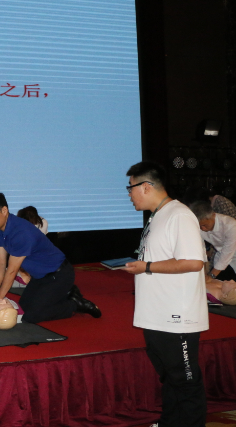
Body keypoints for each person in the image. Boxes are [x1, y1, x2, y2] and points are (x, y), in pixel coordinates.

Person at [123, 161, 208, 427]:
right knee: (170, 378)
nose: (129, 194)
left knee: (185, 381)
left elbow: (193, 262)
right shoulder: (158, 216)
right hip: (156, 316)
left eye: (131, 187)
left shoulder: (179, 215)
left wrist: (146, 267)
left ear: (146, 186)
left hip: (177, 318)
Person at [0, 192, 101, 323]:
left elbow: (12, 270)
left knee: (31, 316)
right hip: (39, 277)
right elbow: (0, 262)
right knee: (23, 309)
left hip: (59, 275)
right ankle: (65, 294)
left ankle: (74, 304)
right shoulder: (0, 230)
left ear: (4, 210)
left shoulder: (20, 232)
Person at [188, 200, 236, 282]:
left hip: (229, 254)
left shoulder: (231, 225)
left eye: (204, 225)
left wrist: (211, 275)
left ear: (213, 215)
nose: (203, 229)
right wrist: (204, 274)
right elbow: (201, 250)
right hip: (221, 258)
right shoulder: (197, 227)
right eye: (200, 226)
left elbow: (227, 253)